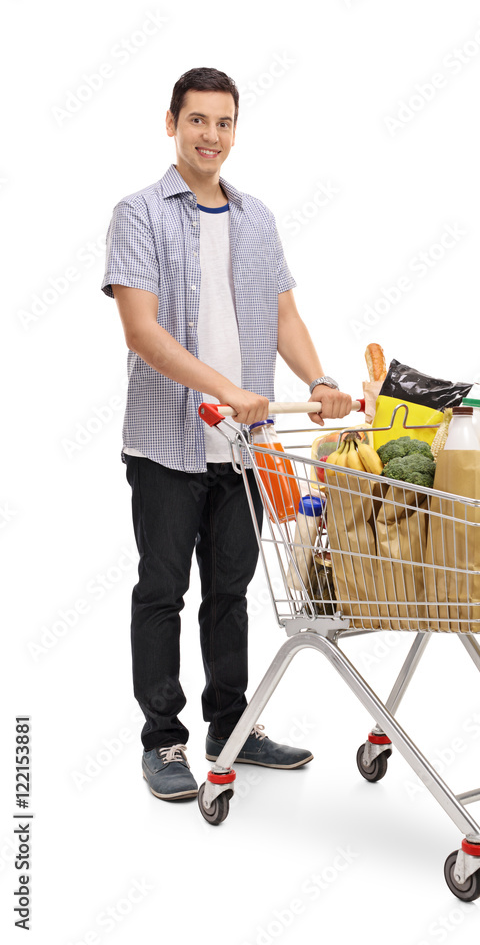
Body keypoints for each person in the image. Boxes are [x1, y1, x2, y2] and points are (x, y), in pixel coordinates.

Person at [102, 67, 353, 801]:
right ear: (172, 123)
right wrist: (225, 390)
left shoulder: (255, 218)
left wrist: (318, 382)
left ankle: (232, 728)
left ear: (235, 130)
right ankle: (164, 741)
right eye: (197, 121)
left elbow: (283, 318)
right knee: (162, 590)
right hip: (166, 442)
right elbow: (142, 332)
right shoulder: (139, 213)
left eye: (224, 123)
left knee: (232, 592)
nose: (211, 136)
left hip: (244, 449)